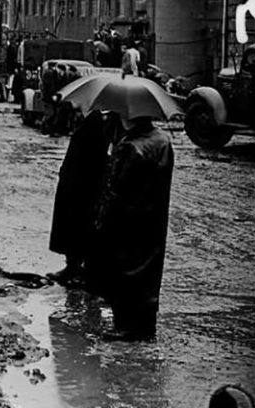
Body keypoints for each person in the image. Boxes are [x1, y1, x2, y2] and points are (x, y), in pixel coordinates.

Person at [93, 113, 175, 341]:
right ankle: (146, 325)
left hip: (126, 221)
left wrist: (101, 220)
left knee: (124, 272)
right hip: (153, 219)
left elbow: (115, 190)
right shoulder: (163, 141)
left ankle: (126, 326)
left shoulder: (129, 146)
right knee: (149, 273)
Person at [48, 111, 114, 286]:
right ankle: (73, 266)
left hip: (85, 184)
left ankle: (83, 270)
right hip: (75, 181)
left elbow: (98, 156)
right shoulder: (91, 119)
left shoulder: (100, 122)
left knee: (82, 225)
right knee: (73, 225)